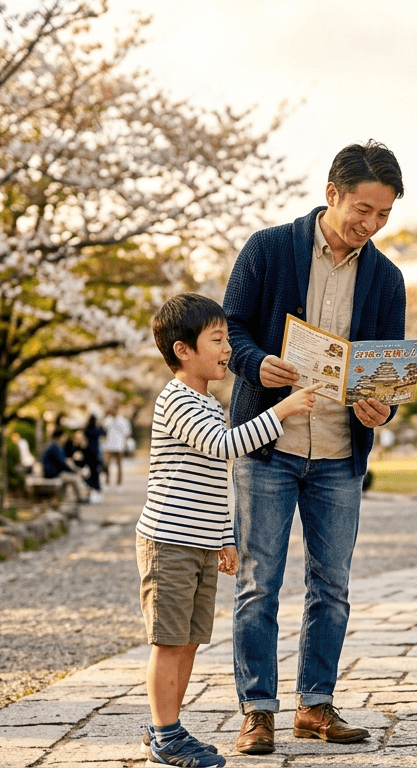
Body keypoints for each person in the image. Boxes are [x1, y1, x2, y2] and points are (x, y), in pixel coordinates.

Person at [222, 140, 407, 755]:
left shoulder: (387, 276)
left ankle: (316, 705)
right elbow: (232, 329)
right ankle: (258, 710)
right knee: (259, 583)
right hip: (269, 442)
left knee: (332, 585)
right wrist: (257, 364)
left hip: (339, 451)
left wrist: (382, 406)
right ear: (332, 194)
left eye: (383, 214)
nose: (370, 224)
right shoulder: (270, 248)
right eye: (362, 208)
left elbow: (387, 370)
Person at [134, 293, 321, 768]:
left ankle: (167, 727)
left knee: (190, 639)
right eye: (217, 340)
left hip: (197, 544)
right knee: (169, 640)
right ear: (183, 350)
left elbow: (214, 483)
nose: (227, 349)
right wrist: (282, 411)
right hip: (169, 544)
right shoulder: (175, 399)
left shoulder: (207, 401)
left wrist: (224, 536)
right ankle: (164, 732)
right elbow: (225, 448)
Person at [41, 427, 89, 503]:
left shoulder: (56, 445)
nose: (65, 438)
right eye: (64, 436)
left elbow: (63, 462)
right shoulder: (55, 447)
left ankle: (62, 498)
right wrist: (73, 471)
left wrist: (73, 470)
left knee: (69, 478)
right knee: (74, 478)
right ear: (59, 437)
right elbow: (61, 463)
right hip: (52, 473)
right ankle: (81, 498)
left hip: (54, 472)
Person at [104, 410, 133, 486]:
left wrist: (125, 445)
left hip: (119, 445)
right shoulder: (107, 420)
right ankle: (107, 481)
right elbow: (103, 432)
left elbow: (127, 434)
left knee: (119, 465)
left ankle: (119, 482)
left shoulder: (123, 421)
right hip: (109, 445)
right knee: (107, 464)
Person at [83, 415, 106, 504]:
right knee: (96, 472)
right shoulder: (96, 429)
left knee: (92, 471)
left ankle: (93, 487)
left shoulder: (87, 429)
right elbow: (104, 432)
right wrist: (100, 424)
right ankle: (96, 487)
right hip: (95, 453)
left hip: (88, 452)